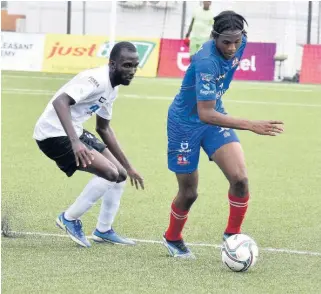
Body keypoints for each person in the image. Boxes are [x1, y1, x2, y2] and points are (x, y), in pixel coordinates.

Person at [163, 11, 284, 258]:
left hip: (214, 115)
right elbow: (205, 113)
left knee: (240, 179)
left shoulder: (241, 41)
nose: (231, 48)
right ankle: (172, 238)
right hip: (185, 123)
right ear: (214, 37)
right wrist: (250, 124)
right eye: (225, 42)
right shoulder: (207, 61)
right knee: (189, 193)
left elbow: (211, 112)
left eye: (236, 41)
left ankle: (232, 236)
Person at [33, 41, 144, 248]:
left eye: (135, 66)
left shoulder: (113, 89)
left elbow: (104, 128)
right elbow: (60, 102)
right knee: (110, 173)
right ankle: (69, 218)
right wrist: (75, 142)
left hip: (74, 130)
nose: (132, 71)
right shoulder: (95, 80)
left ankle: (103, 230)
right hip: (52, 134)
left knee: (120, 175)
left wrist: (129, 167)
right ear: (112, 64)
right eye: (127, 65)